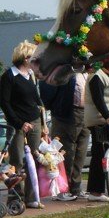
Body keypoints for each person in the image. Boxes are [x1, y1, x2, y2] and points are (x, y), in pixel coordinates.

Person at [0, 41, 46, 208]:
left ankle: (32, 197)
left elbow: (36, 101)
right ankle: (15, 197)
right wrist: (20, 123)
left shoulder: (31, 75)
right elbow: (5, 103)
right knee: (17, 160)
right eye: (34, 58)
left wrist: (42, 124)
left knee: (34, 159)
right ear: (25, 58)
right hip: (17, 124)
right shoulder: (9, 76)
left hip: (34, 122)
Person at [39, 73, 89, 201]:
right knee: (65, 153)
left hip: (85, 113)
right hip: (66, 114)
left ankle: (76, 188)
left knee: (81, 152)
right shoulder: (63, 69)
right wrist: (56, 108)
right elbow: (47, 89)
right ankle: (63, 189)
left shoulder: (86, 72)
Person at [82, 69, 109, 202]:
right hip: (100, 120)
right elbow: (98, 99)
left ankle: (107, 188)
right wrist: (107, 116)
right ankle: (95, 191)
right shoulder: (96, 76)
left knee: (107, 153)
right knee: (99, 154)